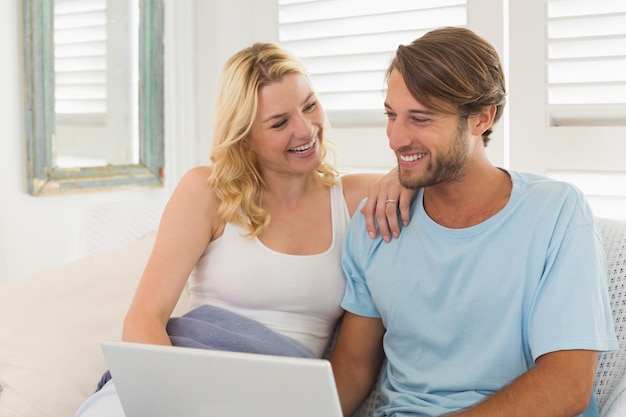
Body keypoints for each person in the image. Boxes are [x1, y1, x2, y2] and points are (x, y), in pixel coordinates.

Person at [74, 42, 414, 416]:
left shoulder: (355, 199)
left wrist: (404, 177)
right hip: (177, 383)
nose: (305, 129)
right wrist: (175, 400)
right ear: (245, 137)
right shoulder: (207, 191)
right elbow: (144, 317)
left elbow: (443, 175)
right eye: (279, 123)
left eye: (310, 105)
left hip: (273, 398)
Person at [330, 27, 618, 417]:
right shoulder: (380, 220)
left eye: (420, 118)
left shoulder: (556, 213)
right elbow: (352, 367)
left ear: (482, 118)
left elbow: (567, 386)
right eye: (391, 115)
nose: (395, 138)